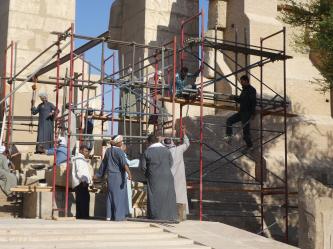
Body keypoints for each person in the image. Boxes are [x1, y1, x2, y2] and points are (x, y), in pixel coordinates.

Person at [139, 134, 177, 221]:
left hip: (154, 177)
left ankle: (155, 216)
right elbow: (171, 163)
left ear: (149, 142)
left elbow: (143, 167)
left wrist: (148, 175)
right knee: (168, 196)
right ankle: (170, 216)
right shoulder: (166, 150)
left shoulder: (147, 152)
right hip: (167, 176)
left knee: (155, 197)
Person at [94, 135, 132, 221]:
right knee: (119, 196)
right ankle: (118, 216)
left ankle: (109, 216)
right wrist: (129, 173)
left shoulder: (108, 151)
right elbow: (124, 164)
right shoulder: (120, 152)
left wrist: (98, 175)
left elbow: (103, 164)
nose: (122, 143)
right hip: (118, 176)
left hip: (110, 176)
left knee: (110, 196)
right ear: (118, 143)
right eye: (121, 142)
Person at [224, 75, 257, 150]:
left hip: (247, 113)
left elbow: (253, 102)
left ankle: (250, 146)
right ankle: (228, 136)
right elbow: (240, 100)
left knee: (246, 131)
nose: (241, 83)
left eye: (242, 81)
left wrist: (253, 113)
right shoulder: (244, 90)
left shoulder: (252, 90)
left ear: (246, 81)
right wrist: (233, 97)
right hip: (241, 112)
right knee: (229, 120)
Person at [163, 127, 190, 215]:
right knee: (180, 196)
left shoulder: (164, 152)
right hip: (179, 176)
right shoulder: (179, 149)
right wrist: (184, 133)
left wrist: (160, 141)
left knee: (168, 196)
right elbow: (187, 143)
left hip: (168, 176)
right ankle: (181, 214)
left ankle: (169, 213)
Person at [72, 144, 92, 219]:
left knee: (82, 199)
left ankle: (81, 215)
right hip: (81, 182)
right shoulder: (79, 159)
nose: (87, 153)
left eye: (87, 151)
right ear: (80, 150)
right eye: (85, 151)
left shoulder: (81, 159)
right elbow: (79, 171)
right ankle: (83, 216)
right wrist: (83, 180)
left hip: (82, 182)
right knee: (83, 199)